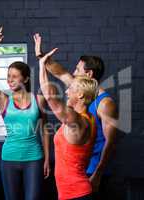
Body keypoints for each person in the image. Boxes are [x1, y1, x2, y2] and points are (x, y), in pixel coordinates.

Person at [34, 33, 117, 199]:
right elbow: (60, 73)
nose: (72, 72)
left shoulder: (105, 103)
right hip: (76, 170)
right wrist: (41, 56)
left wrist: (98, 173)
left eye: (77, 69)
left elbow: (110, 142)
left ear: (89, 74)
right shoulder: (81, 95)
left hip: (91, 170)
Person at [0, 28, 50, 200]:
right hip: (9, 158)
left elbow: (45, 129)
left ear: (25, 79)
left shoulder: (38, 99)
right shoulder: (4, 100)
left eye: (14, 76)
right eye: (8, 76)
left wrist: (47, 158)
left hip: (34, 158)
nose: (9, 80)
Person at [39, 48, 98, 200]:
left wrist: (41, 65)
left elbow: (50, 97)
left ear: (80, 94)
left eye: (70, 89)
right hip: (73, 193)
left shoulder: (79, 121)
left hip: (77, 194)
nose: (66, 92)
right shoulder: (87, 118)